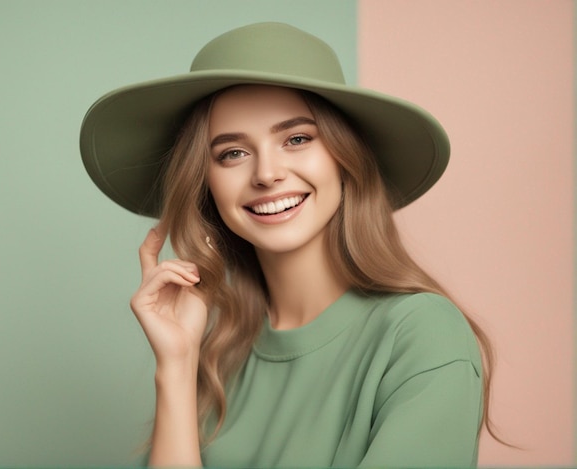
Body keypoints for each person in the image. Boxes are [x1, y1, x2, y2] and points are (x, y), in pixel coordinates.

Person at [80, 22, 496, 468]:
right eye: (232, 153)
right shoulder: (219, 350)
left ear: (344, 157)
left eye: (297, 139)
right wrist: (177, 368)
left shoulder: (422, 335)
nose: (266, 173)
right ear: (205, 184)